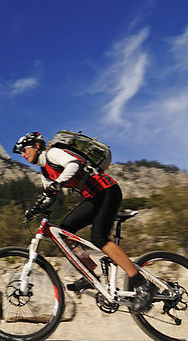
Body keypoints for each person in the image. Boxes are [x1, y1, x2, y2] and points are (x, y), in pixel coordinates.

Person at [13, 132, 156, 312]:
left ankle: (142, 284)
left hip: (107, 191)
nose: (23, 155)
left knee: (99, 238)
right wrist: (36, 209)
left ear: (36, 145)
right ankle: (89, 276)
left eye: (24, 150)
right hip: (93, 198)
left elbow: (74, 164)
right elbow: (50, 197)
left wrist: (57, 183)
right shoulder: (44, 172)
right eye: (20, 153)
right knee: (64, 232)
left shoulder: (52, 154)